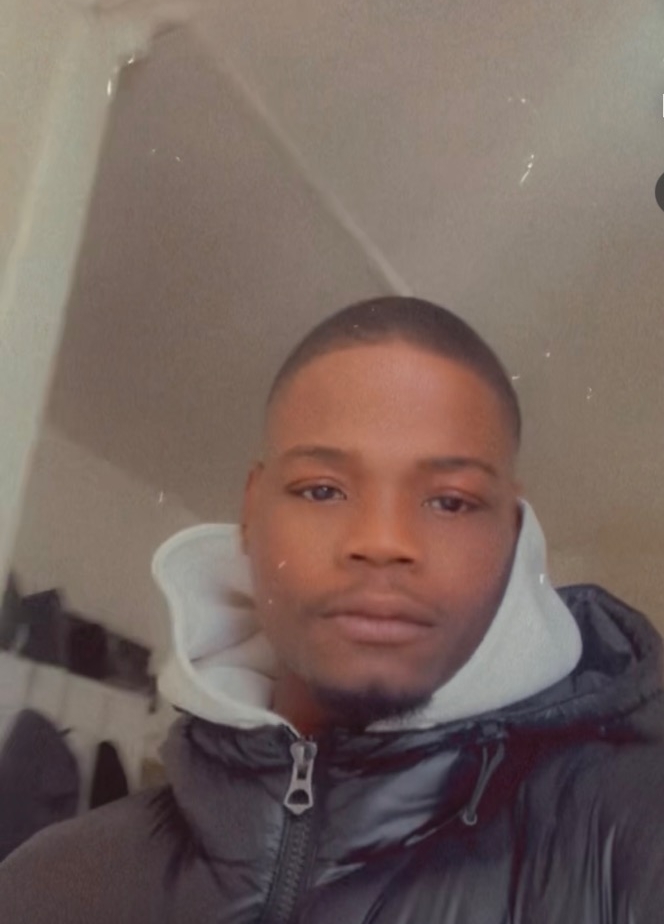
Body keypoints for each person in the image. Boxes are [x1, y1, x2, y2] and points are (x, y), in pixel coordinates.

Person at [1, 294, 663, 922]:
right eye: (321, 490)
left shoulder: (631, 837)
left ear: (512, 536)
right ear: (251, 511)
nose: (383, 541)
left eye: (451, 501)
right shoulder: (51, 884)